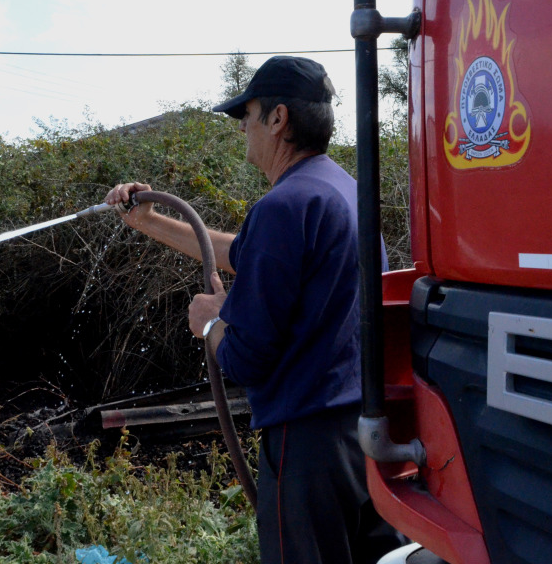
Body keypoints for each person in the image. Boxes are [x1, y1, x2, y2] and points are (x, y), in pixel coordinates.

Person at [104, 56, 402, 564]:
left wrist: (211, 322)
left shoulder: (283, 207)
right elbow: (243, 251)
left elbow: (246, 358)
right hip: (364, 433)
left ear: (278, 119)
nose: (242, 125)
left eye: (249, 112)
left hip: (306, 444)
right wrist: (149, 222)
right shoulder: (344, 193)